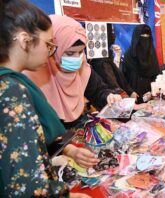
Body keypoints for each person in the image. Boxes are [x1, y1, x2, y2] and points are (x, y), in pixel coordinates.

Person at [0, 0, 90, 197]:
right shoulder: (12, 90)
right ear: (25, 40)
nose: (51, 52)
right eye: (49, 44)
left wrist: (69, 151)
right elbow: (23, 181)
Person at [24, 15, 122, 130]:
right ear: (52, 48)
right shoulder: (31, 76)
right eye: (70, 53)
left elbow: (97, 90)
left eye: (81, 52)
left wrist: (108, 96)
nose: (77, 59)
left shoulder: (82, 68)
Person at [89, 24, 138, 98]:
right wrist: (125, 95)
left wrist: (129, 92)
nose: (113, 35)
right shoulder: (100, 61)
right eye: (111, 31)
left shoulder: (107, 56)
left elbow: (118, 76)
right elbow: (111, 83)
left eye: (113, 31)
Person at [122, 24, 159, 103]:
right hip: (131, 100)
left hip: (149, 100)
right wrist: (130, 92)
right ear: (136, 38)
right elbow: (122, 78)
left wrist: (152, 91)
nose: (145, 38)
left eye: (147, 35)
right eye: (142, 35)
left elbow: (156, 75)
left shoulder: (152, 55)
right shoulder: (129, 56)